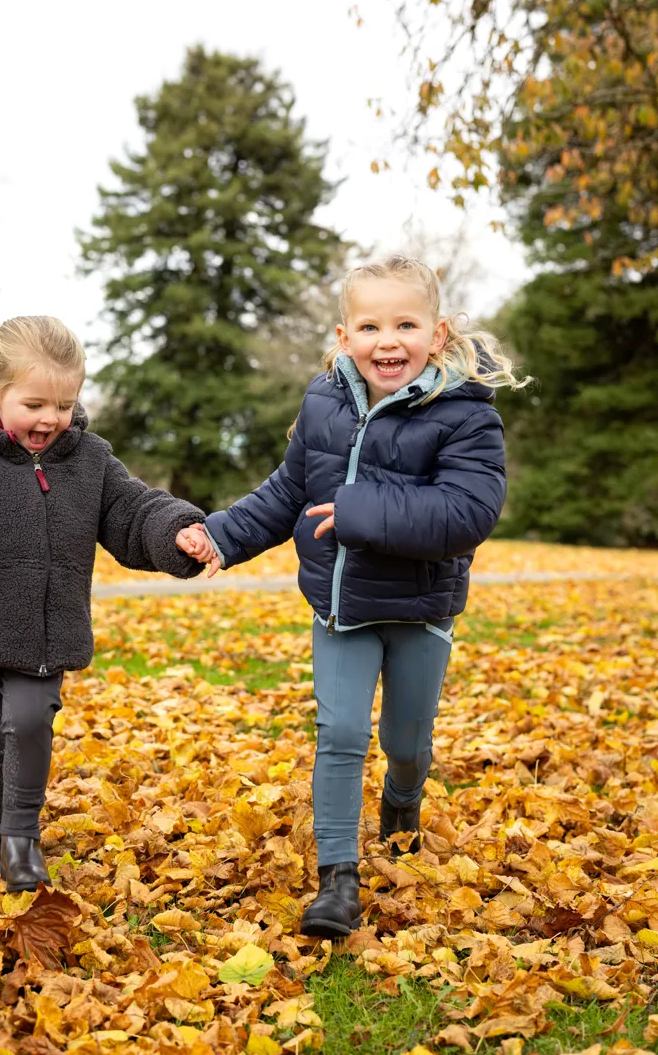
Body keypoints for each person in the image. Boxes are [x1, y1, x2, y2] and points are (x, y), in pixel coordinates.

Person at [177, 255, 531, 938]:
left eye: (406, 325)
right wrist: (221, 535)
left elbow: (467, 512)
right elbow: (290, 490)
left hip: (420, 609)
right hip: (341, 607)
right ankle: (337, 880)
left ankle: (402, 799)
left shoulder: (465, 414)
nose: (387, 341)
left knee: (406, 741)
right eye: (370, 326)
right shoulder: (325, 403)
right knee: (340, 735)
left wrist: (357, 509)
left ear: (438, 333)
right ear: (345, 337)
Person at [0, 316, 206, 893]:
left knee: (29, 721)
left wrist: (174, 529)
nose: (51, 419)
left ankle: (20, 840)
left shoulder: (88, 458)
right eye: (34, 405)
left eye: (64, 405)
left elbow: (132, 510)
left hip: (45, 630)